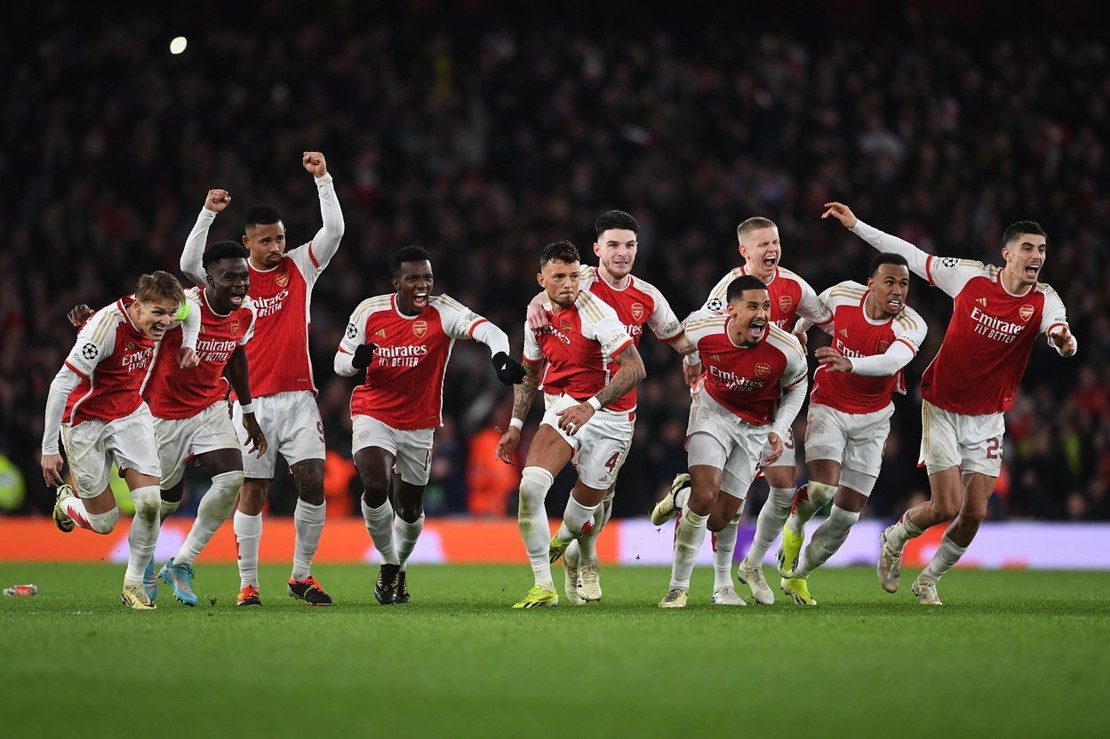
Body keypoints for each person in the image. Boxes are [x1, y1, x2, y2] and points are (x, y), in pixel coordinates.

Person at [821, 202, 1077, 605]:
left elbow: (1060, 332)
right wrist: (856, 225)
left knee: (974, 512)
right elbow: (910, 254)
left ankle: (928, 579)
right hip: (941, 405)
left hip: (989, 415)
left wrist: (1065, 342)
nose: (1037, 257)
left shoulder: (1044, 300)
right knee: (946, 506)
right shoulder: (970, 277)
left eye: (1042, 250)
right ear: (1007, 253)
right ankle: (896, 536)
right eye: (1028, 248)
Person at [179, 151, 344, 607]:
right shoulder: (230, 281)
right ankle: (248, 583)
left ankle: (301, 575)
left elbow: (334, 232)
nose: (276, 247)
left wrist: (323, 180)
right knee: (254, 489)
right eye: (267, 240)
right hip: (251, 403)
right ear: (247, 242)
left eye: (281, 238)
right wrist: (207, 213)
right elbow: (189, 262)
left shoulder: (299, 268)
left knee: (313, 480)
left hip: (299, 399)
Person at [653, 216, 832, 605]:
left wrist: (803, 327)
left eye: (776, 242)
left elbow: (827, 320)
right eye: (763, 244)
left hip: (766, 409)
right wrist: (692, 363)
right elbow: (690, 336)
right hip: (716, 403)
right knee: (707, 495)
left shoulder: (793, 293)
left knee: (764, 498)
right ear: (744, 251)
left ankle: (747, 566)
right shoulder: (722, 297)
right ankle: (685, 586)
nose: (772, 249)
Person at [334, 245, 525, 605]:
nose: (422, 285)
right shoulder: (370, 312)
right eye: (413, 279)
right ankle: (389, 565)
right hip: (372, 411)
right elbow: (340, 362)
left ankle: (397, 566)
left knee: (409, 509)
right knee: (375, 484)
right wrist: (355, 362)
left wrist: (500, 359)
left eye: (427, 277)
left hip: (420, 423)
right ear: (396, 283)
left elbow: (491, 332)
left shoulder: (444, 311)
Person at [525, 210, 696, 605]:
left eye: (630, 245)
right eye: (614, 245)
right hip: (567, 403)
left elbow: (679, 339)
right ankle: (584, 559)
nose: (622, 253)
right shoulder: (578, 279)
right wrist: (534, 303)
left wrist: (694, 359)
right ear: (597, 249)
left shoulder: (648, 296)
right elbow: (546, 290)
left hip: (617, 410)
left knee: (600, 498)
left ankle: (576, 551)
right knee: (549, 485)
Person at [496, 240, 646, 608]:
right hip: (562, 405)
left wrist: (591, 406)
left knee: (580, 518)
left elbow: (636, 368)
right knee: (530, 488)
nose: (568, 284)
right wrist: (515, 424)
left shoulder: (598, 314)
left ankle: (572, 550)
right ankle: (543, 585)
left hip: (610, 417)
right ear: (541, 280)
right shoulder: (537, 318)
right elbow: (530, 375)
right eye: (558, 276)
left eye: (574, 275)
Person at [775, 253, 927, 605]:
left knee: (846, 516)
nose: (897, 291)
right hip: (829, 405)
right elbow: (812, 314)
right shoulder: (842, 295)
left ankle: (799, 576)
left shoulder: (912, 324)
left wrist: (851, 363)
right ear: (870, 283)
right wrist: (798, 332)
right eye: (889, 282)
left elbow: (894, 361)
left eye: (904, 283)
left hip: (874, 420)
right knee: (823, 489)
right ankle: (794, 528)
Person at [44, 271, 198, 609]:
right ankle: (67, 504)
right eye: (158, 313)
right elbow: (61, 384)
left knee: (149, 504)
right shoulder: (104, 327)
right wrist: (48, 449)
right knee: (103, 522)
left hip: (130, 414)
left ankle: (133, 586)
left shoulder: (170, 313)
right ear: (137, 305)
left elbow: (194, 308)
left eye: (171, 313)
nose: (166, 321)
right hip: (85, 421)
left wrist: (189, 341)